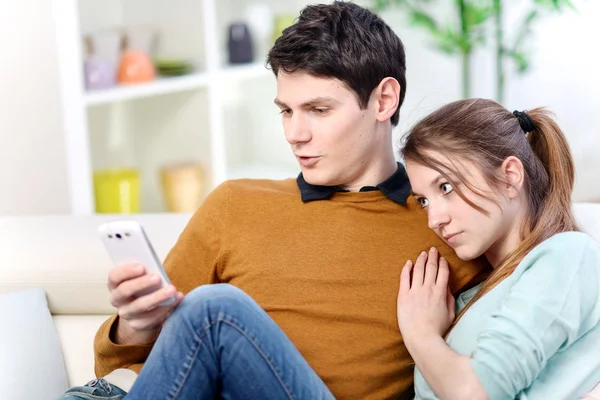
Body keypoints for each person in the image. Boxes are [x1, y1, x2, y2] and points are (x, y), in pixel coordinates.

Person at [58, 2, 490, 400]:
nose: (294, 134)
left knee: (213, 310)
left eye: (318, 110)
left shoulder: (448, 223)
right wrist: (135, 324)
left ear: (383, 100)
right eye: (286, 111)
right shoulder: (235, 204)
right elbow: (126, 370)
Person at [397, 98, 600, 399]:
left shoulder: (566, 255)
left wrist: (420, 334)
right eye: (424, 200)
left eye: (446, 187)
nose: (434, 220)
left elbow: (477, 392)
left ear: (509, 177)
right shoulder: (478, 292)